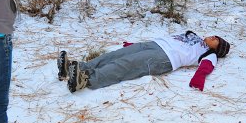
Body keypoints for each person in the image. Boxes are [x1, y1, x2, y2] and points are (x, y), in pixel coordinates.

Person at [59, 31, 231, 93]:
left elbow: (206, 68)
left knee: (125, 65)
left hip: (164, 58)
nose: (214, 37)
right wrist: (132, 46)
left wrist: (198, 80)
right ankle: (76, 68)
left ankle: (85, 81)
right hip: (154, 44)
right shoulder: (197, 37)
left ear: (218, 49)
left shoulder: (209, 54)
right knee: (116, 55)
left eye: (218, 40)